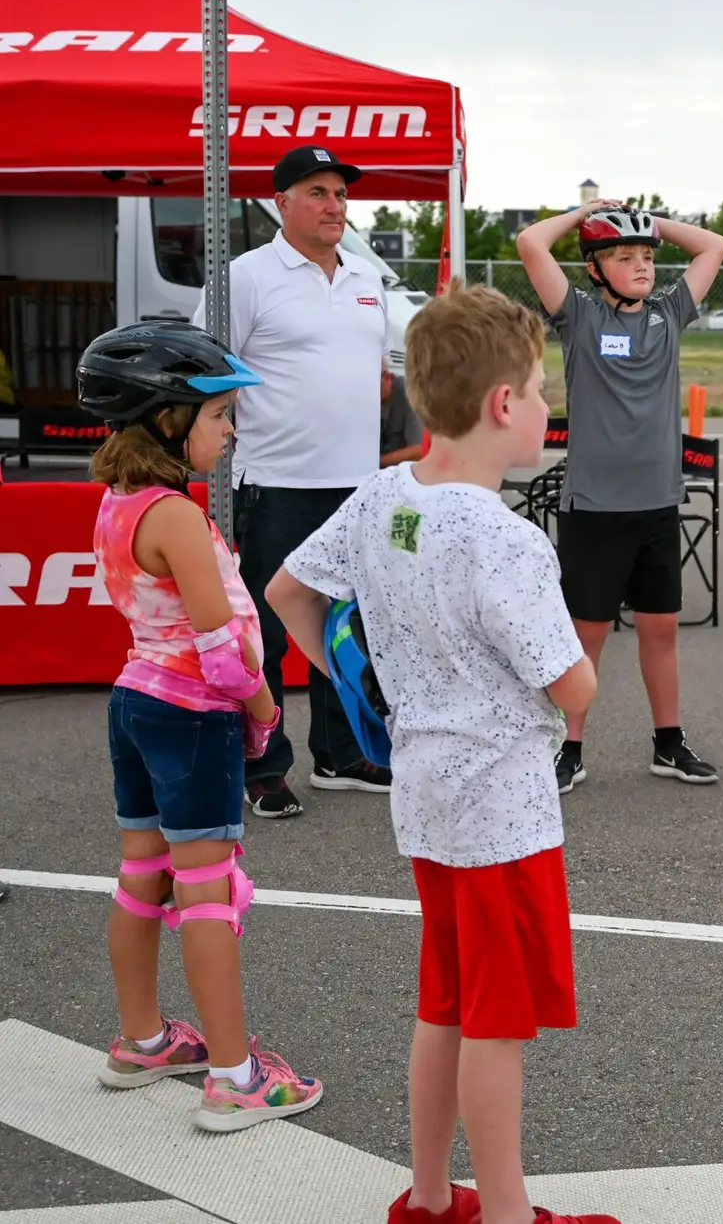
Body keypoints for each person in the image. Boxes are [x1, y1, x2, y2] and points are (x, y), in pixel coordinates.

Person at [266, 284, 616, 1224]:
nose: (547, 408)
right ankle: (506, 1213)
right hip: (502, 810)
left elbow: (289, 590)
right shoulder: (507, 539)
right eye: (541, 390)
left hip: (424, 794)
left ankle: (427, 1195)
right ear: (504, 404)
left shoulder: (386, 497)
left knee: (446, 1001)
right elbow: (570, 685)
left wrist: (356, 689)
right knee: (497, 1026)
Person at [79, 320, 324, 1132]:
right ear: (168, 420)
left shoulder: (119, 505)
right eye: (219, 416)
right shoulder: (177, 518)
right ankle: (236, 1075)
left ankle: (144, 1038)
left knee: (140, 875)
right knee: (208, 895)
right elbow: (222, 648)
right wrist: (264, 712)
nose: (229, 429)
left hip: (136, 702)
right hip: (192, 714)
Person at [194, 144, 392, 818]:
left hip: (357, 487)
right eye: (317, 192)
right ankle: (265, 765)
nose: (334, 205)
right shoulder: (247, 276)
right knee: (270, 633)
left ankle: (342, 755)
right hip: (276, 484)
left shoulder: (368, 277)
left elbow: (388, 368)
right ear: (281, 203)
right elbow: (208, 365)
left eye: (340, 193)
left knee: (344, 627)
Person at [517, 200, 723, 793]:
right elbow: (532, 243)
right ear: (594, 267)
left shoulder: (668, 312)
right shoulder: (579, 317)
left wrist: (649, 225)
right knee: (586, 636)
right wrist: (586, 212)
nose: (641, 266)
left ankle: (669, 743)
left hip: (657, 504)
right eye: (623, 256)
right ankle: (569, 748)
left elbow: (713, 246)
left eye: (646, 257)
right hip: (595, 509)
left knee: (661, 630)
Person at [380, 367, 426, 467]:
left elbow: (417, 450)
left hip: (400, 472)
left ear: (387, 377)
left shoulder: (409, 393)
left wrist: (376, 463)